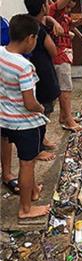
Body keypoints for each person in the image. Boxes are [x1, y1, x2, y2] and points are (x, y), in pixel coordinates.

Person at [0, 14, 50, 219]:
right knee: (27, 163)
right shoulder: (24, 67)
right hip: (24, 124)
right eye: (36, 38)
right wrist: (41, 109)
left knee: (26, 163)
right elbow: (30, 103)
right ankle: (26, 209)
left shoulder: (1, 54)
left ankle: (32, 190)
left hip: (4, 119)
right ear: (30, 38)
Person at [50, 0, 82, 132]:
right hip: (59, 55)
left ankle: (64, 117)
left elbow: (69, 27)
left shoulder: (65, 15)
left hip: (65, 54)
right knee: (65, 89)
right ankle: (69, 120)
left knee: (66, 88)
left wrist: (78, 22)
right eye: (69, 4)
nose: (70, 7)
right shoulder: (55, 11)